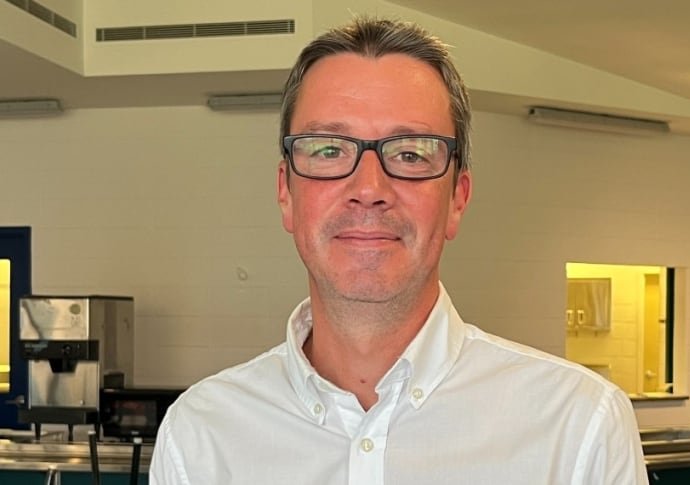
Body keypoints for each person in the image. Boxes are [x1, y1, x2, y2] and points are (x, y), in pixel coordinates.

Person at [149, 16, 648, 485]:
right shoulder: (201, 437)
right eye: (328, 150)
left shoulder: (580, 426)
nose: (369, 187)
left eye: (410, 154)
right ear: (286, 192)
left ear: (457, 198)